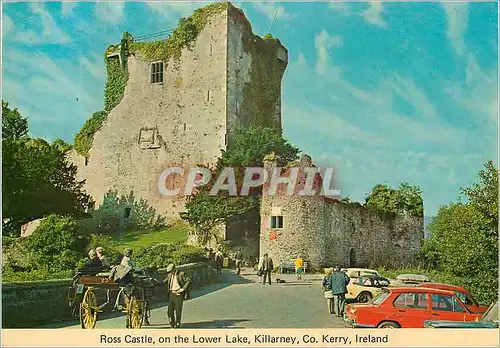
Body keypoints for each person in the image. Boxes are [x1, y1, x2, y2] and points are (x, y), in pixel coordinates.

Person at [164, 263, 191, 328]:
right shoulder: (170, 275)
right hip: (171, 294)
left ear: (174, 269)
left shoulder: (181, 274)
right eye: (169, 272)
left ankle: (178, 323)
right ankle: (172, 323)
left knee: (178, 311)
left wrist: (183, 289)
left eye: (171, 271)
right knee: (169, 311)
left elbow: (189, 280)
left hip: (178, 294)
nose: (170, 273)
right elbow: (164, 281)